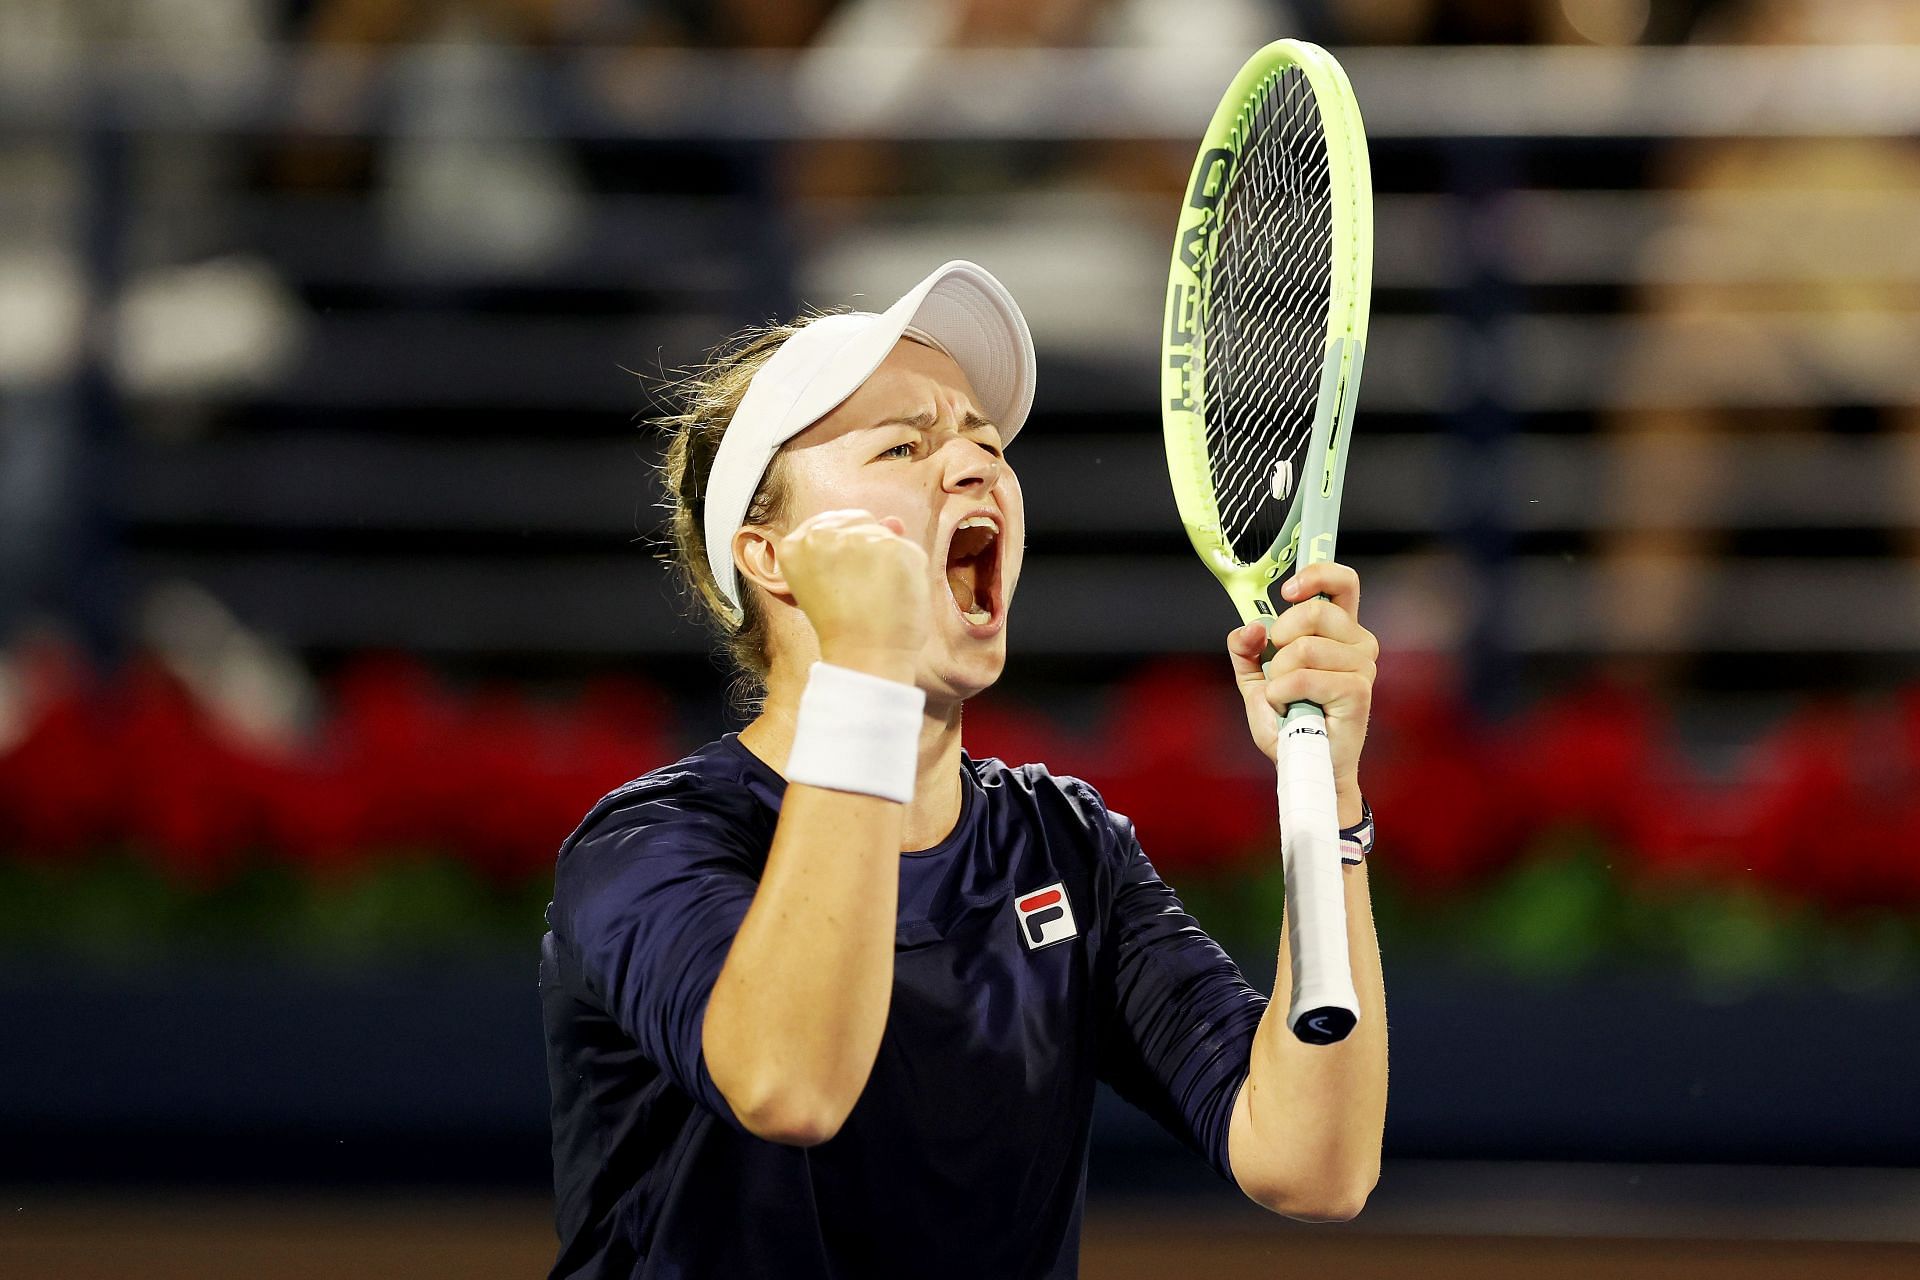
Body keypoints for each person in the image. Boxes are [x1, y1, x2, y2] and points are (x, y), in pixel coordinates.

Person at [539, 260, 1387, 1278]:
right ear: (770, 557)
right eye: (904, 444)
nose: (975, 465)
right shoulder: (648, 844)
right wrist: (867, 672)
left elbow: (1312, 1159)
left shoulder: (1066, 847)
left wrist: (1328, 800)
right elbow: (790, 1082)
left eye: (985, 441)